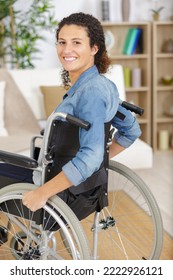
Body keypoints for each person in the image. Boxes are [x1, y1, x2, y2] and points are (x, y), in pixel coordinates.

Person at [1, 12, 141, 215]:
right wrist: (101, 161)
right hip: (79, 190)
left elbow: (91, 156)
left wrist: (42, 193)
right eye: (62, 42)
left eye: (76, 42)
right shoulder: (103, 86)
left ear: (94, 48)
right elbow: (131, 130)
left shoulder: (90, 94)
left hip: (53, 188)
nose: (67, 50)